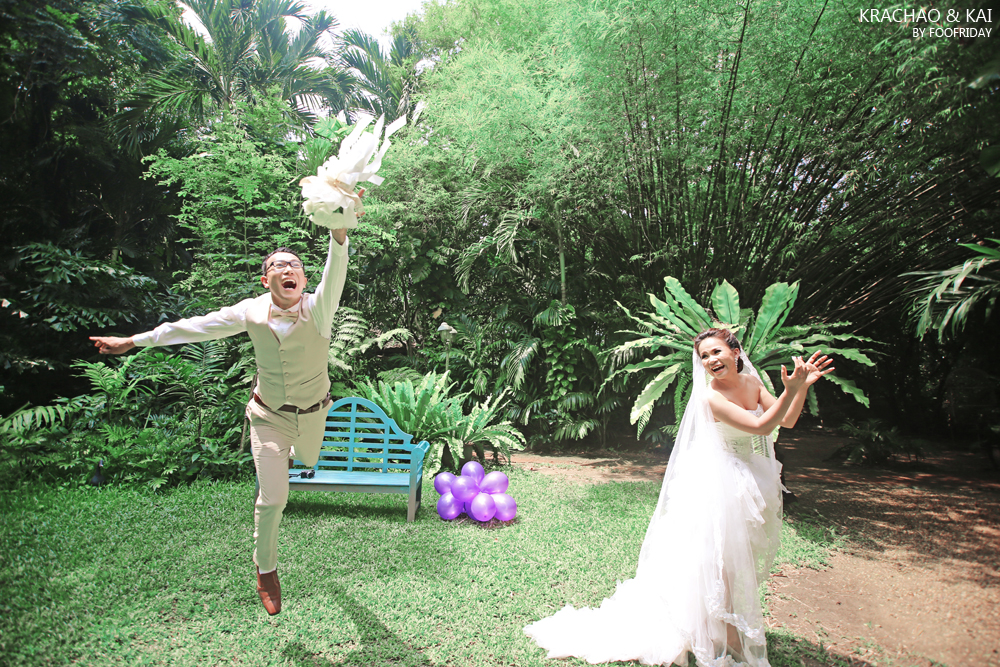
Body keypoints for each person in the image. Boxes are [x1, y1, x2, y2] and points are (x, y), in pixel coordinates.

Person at [524, 328, 832, 666]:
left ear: (735, 352)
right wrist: (790, 390)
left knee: (729, 560)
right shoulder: (711, 397)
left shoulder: (752, 384)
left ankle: (719, 626)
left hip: (746, 475)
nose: (711, 360)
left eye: (716, 351)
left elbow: (786, 421)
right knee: (716, 559)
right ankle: (721, 631)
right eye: (704, 356)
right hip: (717, 480)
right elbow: (760, 427)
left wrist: (799, 389)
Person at [89, 226, 350, 616]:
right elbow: (195, 327)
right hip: (267, 415)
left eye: (294, 264)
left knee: (309, 459)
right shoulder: (250, 311)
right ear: (265, 280)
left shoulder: (320, 307)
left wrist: (339, 235)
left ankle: (292, 453)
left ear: (304, 278)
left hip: (313, 413)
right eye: (278, 265)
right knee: (274, 499)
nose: (287, 269)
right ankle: (266, 570)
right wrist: (134, 341)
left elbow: (337, 270)